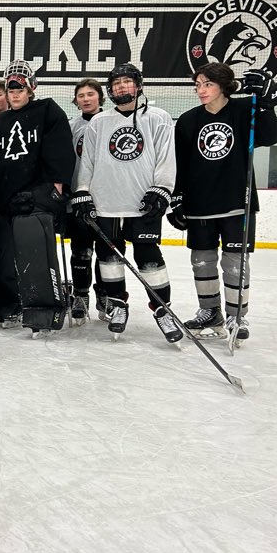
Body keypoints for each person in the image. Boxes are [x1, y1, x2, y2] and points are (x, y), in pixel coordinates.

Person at [170, 62, 277, 341]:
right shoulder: (187, 121)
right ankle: (210, 311)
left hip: (236, 201)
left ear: (223, 85)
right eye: (197, 84)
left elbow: (272, 136)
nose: (201, 90)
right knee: (202, 261)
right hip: (199, 204)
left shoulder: (246, 109)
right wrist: (177, 198)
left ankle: (237, 316)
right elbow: (181, 164)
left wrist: (267, 105)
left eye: (207, 84)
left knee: (235, 262)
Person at [72, 64, 181, 343]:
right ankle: (118, 304)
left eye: (127, 82)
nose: (121, 87)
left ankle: (162, 309)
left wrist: (163, 188)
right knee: (109, 256)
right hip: (105, 201)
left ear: (139, 85)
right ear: (110, 90)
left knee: (149, 257)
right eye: (116, 83)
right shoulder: (99, 122)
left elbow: (167, 158)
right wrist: (83, 191)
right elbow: (88, 162)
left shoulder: (158, 118)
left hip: (142, 201)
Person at [0, 60, 74, 337]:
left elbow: (60, 154)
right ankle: (8, 306)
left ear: (31, 88)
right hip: (4, 202)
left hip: (37, 198)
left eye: (20, 88)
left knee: (34, 250)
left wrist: (49, 194)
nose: (15, 94)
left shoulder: (48, 111)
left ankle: (43, 310)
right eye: (10, 89)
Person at [66, 79, 106, 325]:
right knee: (80, 252)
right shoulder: (71, 126)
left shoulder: (110, 122)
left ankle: (107, 295)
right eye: (81, 95)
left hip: (106, 201)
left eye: (91, 94)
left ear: (100, 97)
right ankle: (80, 296)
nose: (86, 99)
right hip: (78, 201)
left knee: (107, 252)